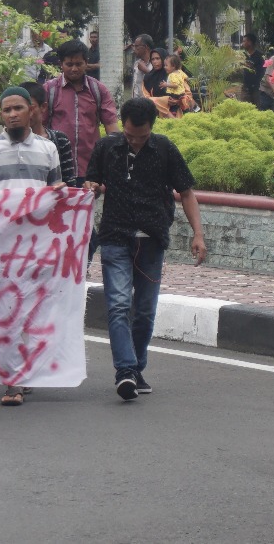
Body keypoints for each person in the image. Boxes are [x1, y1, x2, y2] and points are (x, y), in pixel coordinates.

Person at [85, 98, 206, 401]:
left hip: (152, 241)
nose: (135, 141)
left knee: (145, 311)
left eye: (141, 136)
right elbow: (92, 184)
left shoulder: (165, 149)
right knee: (118, 304)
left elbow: (187, 193)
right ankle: (125, 371)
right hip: (115, 237)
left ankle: (137, 368)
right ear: (121, 126)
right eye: (129, 135)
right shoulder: (105, 147)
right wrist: (93, 188)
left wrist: (198, 235)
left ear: (152, 127)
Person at [0, 87, 67, 406]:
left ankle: (28, 372)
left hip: (38, 245)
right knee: (7, 311)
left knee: (36, 311)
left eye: (18, 108)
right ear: (1, 115)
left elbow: (56, 190)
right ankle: (12, 381)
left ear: (32, 111)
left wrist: (61, 191)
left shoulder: (48, 148)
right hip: (3, 245)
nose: (12, 114)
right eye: (6, 109)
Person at [45, 40, 120, 185]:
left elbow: (112, 129)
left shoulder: (98, 90)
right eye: (69, 64)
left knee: (86, 207)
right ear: (61, 64)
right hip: (57, 168)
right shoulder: (49, 90)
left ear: (86, 62)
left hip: (89, 168)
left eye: (78, 64)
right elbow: (39, 128)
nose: (74, 69)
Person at [22, 82, 77, 186]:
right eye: (20, 108)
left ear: (43, 107)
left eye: (31, 108)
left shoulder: (59, 140)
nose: (26, 113)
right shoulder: (6, 143)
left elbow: (68, 182)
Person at [241, 33, 266, 104]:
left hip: (257, 88)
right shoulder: (244, 56)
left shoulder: (259, 56)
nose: (242, 43)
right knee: (245, 108)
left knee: (258, 108)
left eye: (244, 41)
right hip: (246, 87)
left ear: (249, 42)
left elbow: (262, 71)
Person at [129, 35, 154, 99]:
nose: (134, 49)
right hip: (136, 103)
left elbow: (158, 81)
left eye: (136, 46)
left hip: (149, 104)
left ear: (145, 47)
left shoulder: (155, 64)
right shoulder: (136, 63)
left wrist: (145, 70)